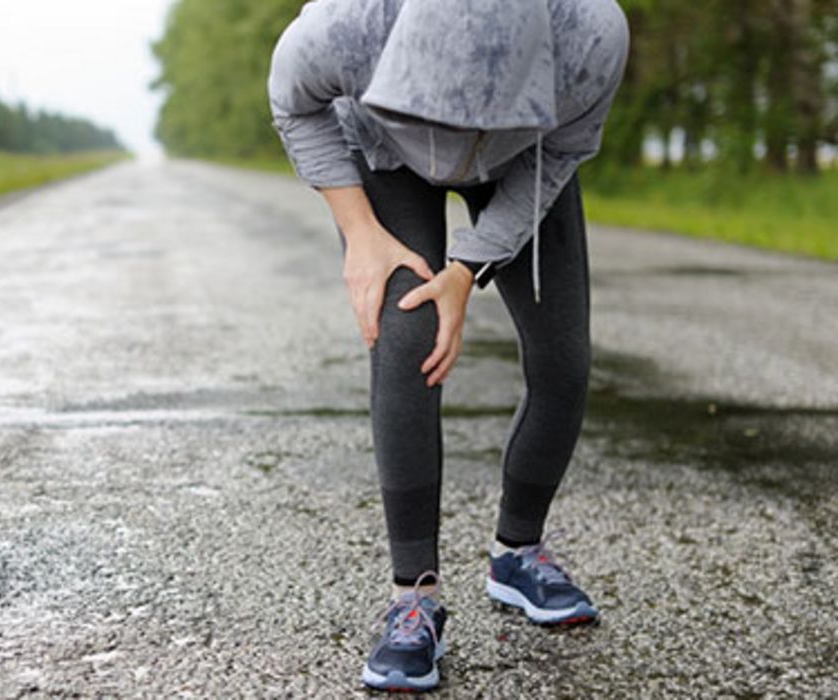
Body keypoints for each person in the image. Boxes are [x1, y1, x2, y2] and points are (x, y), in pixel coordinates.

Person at [267, 0, 630, 692]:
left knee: (563, 360)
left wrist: (467, 267)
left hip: (525, 154)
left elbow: (559, 153)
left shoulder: (591, 35)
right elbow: (293, 103)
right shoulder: (343, 26)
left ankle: (516, 554)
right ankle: (414, 599)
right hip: (382, 155)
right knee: (407, 341)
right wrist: (359, 232)